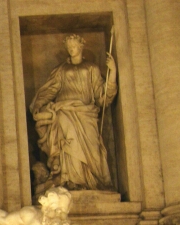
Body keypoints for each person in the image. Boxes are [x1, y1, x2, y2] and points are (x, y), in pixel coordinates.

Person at [30, 34, 117, 191]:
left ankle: (92, 182)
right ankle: (70, 180)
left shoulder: (91, 68)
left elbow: (102, 96)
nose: (71, 49)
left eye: (74, 46)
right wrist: (39, 103)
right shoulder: (61, 70)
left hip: (86, 113)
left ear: (81, 47)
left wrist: (113, 73)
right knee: (68, 143)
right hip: (64, 111)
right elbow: (51, 90)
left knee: (93, 148)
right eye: (69, 47)